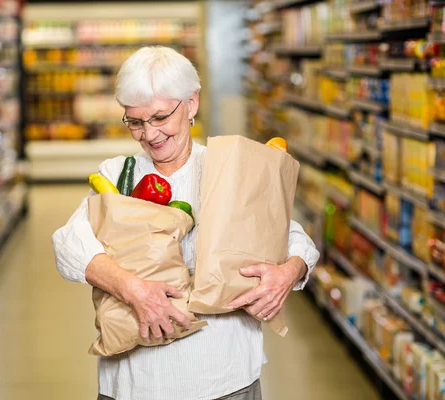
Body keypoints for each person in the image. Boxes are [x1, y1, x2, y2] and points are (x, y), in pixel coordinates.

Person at [52, 46, 320, 400]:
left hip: (223, 377)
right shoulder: (116, 175)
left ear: (191, 104)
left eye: (160, 117)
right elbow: (69, 244)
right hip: (135, 383)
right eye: (135, 121)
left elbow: (294, 237)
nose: (149, 134)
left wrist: (288, 273)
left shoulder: (229, 167)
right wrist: (131, 289)